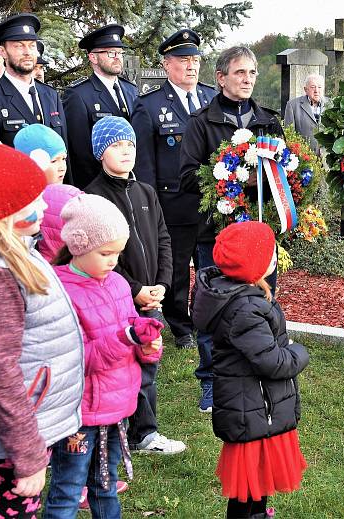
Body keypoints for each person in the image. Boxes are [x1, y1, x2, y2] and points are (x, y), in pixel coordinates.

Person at [44, 194, 164, 518]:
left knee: (105, 484)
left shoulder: (118, 284)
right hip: (79, 416)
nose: (113, 260)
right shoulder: (61, 291)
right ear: (80, 245)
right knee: (67, 490)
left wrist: (147, 346)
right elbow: (77, 359)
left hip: (116, 410)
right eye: (105, 252)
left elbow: (128, 328)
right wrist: (126, 338)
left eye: (117, 253)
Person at [179, 45, 283, 412]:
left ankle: (266, 370)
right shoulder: (200, 123)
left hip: (258, 234)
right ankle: (212, 380)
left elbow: (286, 174)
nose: (248, 79)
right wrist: (233, 179)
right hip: (216, 233)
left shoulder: (268, 121)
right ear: (220, 77)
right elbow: (187, 176)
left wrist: (270, 184)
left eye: (252, 72)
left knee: (265, 301)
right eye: (240, 72)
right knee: (214, 307)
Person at [0, 144, 83, 519]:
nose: (45, 207)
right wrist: (27, 454)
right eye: (32, 200)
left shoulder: (20, 254)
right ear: (3, 214)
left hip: (19, 434)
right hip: (7, 447)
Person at [192, 221, 309, 519]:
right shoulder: (244, 309)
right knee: (248, 489)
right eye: (271, 254)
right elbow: (273, 362)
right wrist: (297, 351)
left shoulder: (241, 294)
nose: (274, 258)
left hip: (255, 409)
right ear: (254, 263)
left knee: (257, 483)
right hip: (252, 410)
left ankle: (259, 514)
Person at [83, 116, 185, 455]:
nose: (126, 151)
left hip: (151, 298)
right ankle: (117, 430)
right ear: (100, 152)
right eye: (116, 145)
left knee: (148, 365)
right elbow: (97, 256)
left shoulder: (146, 192)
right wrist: (135, 289)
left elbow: (163, 239)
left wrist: (162, 284)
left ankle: (146, 432)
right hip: (116, 301)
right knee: (118, 367)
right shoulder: (92, 198)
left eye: (130, 144)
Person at [131, 28, 216, 351]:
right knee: (177, 269)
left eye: (195, 60)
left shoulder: (211, 99)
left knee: (211, 266)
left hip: (211, 204)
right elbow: (144, 164)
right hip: (172, 203)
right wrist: (149, 207)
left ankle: (207, 317)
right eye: (183, 60)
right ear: (167, 65)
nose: (191, 66)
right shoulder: (149, 106)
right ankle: (181, 326)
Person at [0, 14, 69, 174]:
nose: (27, 52)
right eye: (19, 46)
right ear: (2, 51)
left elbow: (65, 153)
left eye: (32, 45)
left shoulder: (50, 95)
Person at [63, 24, 138, 188]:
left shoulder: (131, 90)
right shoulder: (78, 94)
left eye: (120, 52)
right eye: (111, 53)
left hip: (132, 182)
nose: (117, 57)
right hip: (99, 186)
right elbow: (80, 151)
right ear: (93, 57)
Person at [12, 123, 80, 262]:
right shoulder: (19, 206)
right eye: (54, 161)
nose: (62, 167)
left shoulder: (68, 195)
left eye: (64, 159)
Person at [283, 73, 326, 153]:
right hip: (304, 157)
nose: (316, 91)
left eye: (319, 87)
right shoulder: (293, 105)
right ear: (305, 89)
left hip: (327, 158)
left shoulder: (331, 105)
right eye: (313, 87)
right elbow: (289, 135)